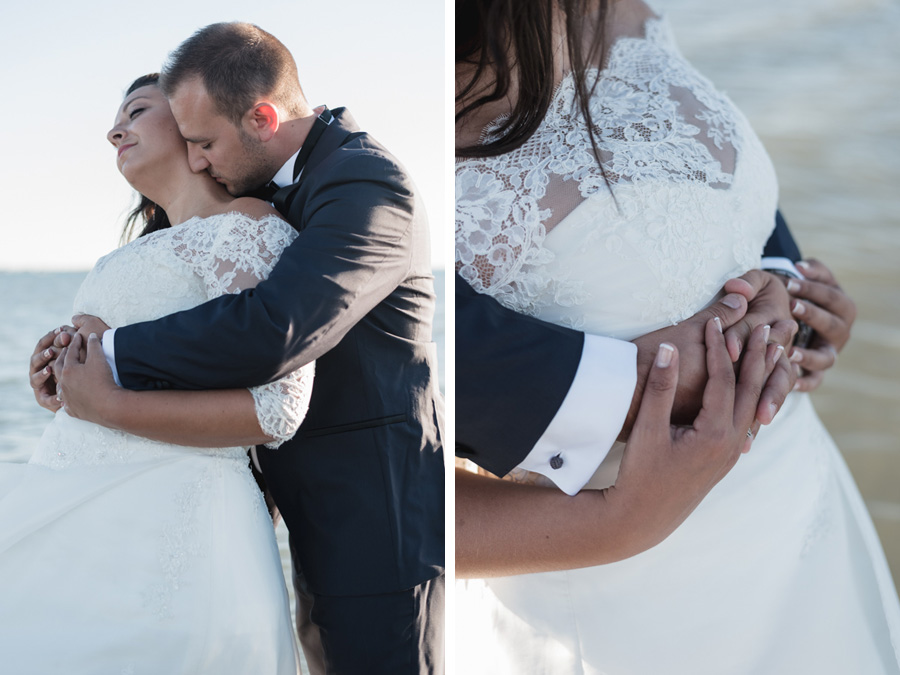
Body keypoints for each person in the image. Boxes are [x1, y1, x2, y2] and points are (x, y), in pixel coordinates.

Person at [454, 0, 900, 672]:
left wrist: (786, 293)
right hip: (614, 595)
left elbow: (705, 180)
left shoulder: (627, 9)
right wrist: (634, 389)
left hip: (798, 518)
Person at [31, 23, 443, 675]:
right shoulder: (209, 219)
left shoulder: (359, 182)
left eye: (202, 140)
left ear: (257, 118)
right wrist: (60, 371)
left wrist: (108, 370)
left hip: (371, 517)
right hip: (257, 508)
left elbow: (271, 332)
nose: (200, 155)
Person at [3, 74, 306, 673]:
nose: (115, 129)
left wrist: (108, 403)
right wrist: (58, 373)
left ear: (197, 124)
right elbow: (99, 368)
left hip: (177, 513)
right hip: (69, 507)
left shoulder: (245, 227)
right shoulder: (117, 258)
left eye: (137, 111)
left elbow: (275, 410)